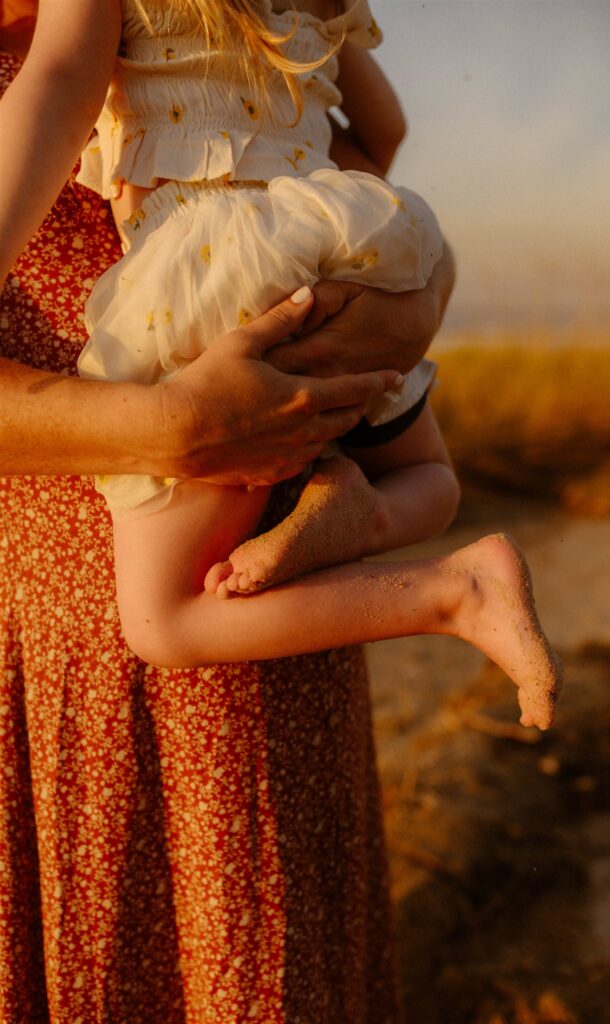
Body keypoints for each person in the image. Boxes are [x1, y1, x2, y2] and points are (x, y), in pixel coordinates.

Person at [0, 3, 456, 1018]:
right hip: (84, 631)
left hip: (242, 598)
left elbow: (65, 80)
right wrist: (165, 420)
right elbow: (373, 140)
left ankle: (403, 542)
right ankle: (401, 537)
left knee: (256, 948)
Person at [0, 0, 561, 729]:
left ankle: (455, 593)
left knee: (164, 622)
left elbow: (65, 77)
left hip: (207, 271)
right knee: (430, 480)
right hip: (348, 234)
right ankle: (360, 515)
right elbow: (385, 130)